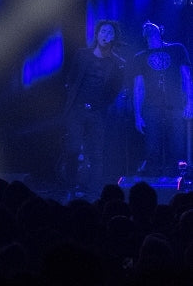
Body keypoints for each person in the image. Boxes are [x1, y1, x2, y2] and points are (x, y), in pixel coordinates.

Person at [61, 19, 126, 198]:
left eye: (110, 33)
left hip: (97, 112)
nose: (106, 35)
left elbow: (115, 90)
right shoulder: (82, 54)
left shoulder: (117, 63)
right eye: (103, 31)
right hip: (76, 110)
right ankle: (71, 186)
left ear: (114, 38)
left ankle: (93, 190)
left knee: (96, 153)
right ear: (97, 34)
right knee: (73, 149)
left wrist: (100, 105)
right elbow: (71, 77)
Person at [133, 20, 193, 177]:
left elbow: (187, 77)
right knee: (152, 148)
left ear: (161, 30)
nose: (147, 25)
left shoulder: (177, 49)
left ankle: (174, 182)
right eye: (144, 26)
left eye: (151, 25)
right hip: (151, 108)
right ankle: (154, 182)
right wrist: (137, 115)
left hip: (175, 106)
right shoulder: (140, 57)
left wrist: (190, 103)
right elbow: (138, 87)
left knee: (177, 147)